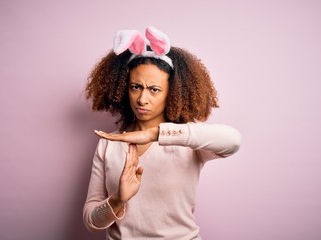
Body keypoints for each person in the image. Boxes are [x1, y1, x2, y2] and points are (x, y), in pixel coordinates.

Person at [83, 26, 241, 240]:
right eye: (135, 87)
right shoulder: (108, 143)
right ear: (123, 88)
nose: (142, 99)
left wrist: (156, 134)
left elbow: (232, 141)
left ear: (172, 93)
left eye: (154, 89)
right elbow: (91, 222)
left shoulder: (187, 141)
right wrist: (118, 199)